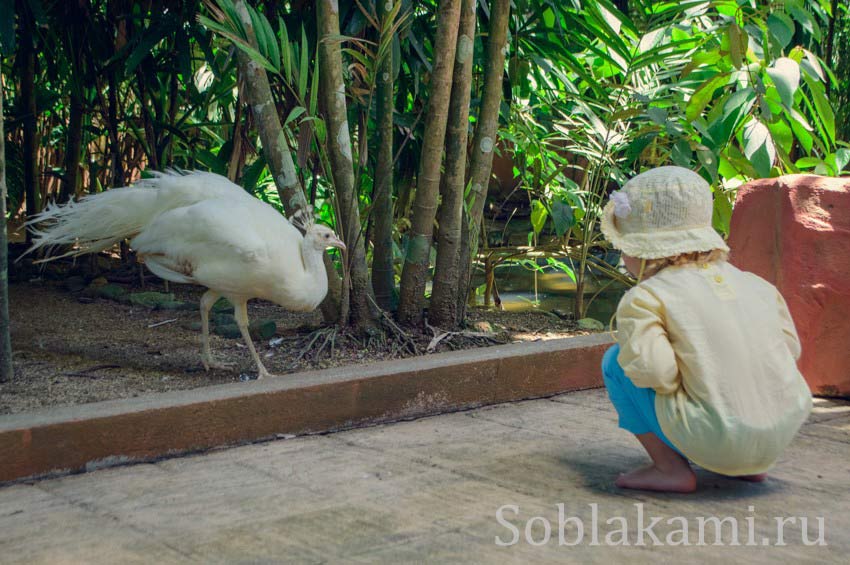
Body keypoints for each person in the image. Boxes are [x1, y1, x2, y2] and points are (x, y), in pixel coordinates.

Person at [599, 166, 812, 493]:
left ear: (642, 250)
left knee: (615, 362)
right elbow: (790, 351)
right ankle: (749, 468)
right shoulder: (756, 285)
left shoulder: (645, 298)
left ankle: (669, 468)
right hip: (780, 434)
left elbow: (657, 373)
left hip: (714, 437)